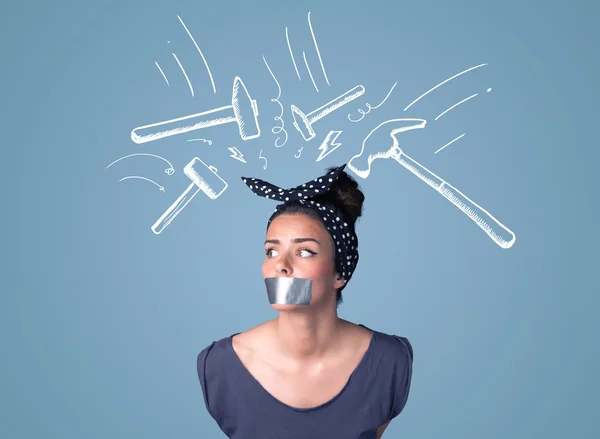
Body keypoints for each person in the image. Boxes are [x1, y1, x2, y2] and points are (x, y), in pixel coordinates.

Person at [196, 164, 413, 439]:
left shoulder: (389, 360)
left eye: (305, 252)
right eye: (271, 251)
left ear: (339, 274)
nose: (281, 266)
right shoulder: (219, 364)